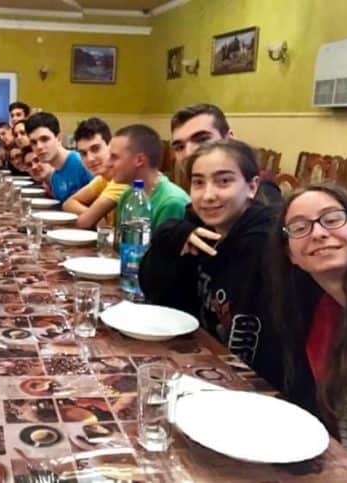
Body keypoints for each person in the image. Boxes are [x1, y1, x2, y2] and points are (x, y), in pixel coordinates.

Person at [139, 139, 282, 387]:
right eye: (198, 182)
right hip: (209, 366)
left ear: (252, 186)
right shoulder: (199, 232)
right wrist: (169, 238)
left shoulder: (270, 243)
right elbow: (159, 297)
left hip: (259, 385)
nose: (208, 195)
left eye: (224, 181)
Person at [269, 185, 347, 450]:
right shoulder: (317, 311)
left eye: (332, 219)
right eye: (299, 227)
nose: (318, 233)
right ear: (290, 254)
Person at [170, 103, 281, 204]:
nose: (188, 153)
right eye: (180, 147)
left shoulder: (262, 189)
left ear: (229, 139)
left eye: (202, 140)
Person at [111, 124, 189, 231]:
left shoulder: (172, 202)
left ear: (139, 160)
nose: (108, 163)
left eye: (114, 157)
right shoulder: (127, 195)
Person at [63, 118, 127, 229]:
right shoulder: (102, 179)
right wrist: (97, 217)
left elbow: (83, 223)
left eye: (95, 149)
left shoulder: (122, 178)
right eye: (83, 153)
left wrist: (92, 217)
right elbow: (68, 203)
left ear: (111, 146)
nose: (90, 159)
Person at [25, 112, 92, 203]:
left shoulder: (82, 163)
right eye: (34, 142)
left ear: (59, 138)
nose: (39, 146)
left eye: (45, 139)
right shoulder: (54, 178)